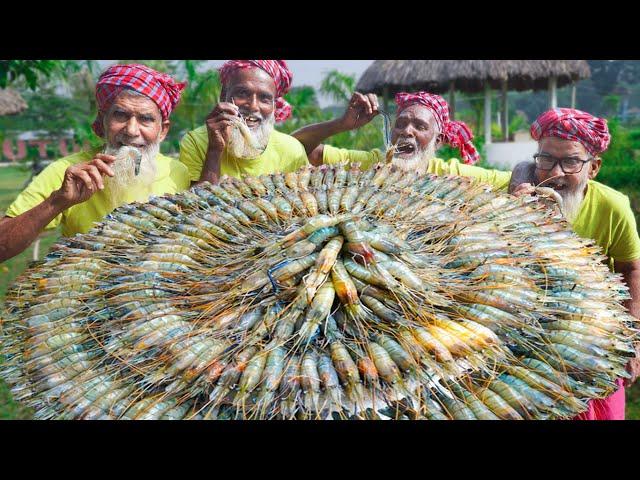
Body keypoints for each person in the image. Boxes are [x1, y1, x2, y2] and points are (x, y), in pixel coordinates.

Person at [509, 108, 640, 419]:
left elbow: (631, 269)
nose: (556, 172)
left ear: (593, 168)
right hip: (531, 345)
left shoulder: (613, 207)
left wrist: (633, 340)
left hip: (594, 342)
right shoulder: (520, 199)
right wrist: (517, 187)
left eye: (570, 162)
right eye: (546, 160)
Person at [0, 63, 190, 263]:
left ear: (163, 131)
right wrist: (58, 201)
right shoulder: (68, 172)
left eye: (146, 119)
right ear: (102, 122)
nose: (132, 130)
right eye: (121, 115)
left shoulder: (178, 172)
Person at [292, 91, 511, 189]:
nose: (406, 131)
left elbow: (512, 177)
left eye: (420, 126)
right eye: (400, 123)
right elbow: (296, 148)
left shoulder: (448, 174)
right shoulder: (372, 163)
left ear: (438, 140)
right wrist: (342, 124)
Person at [179, 60, 309, 185]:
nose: (253, 106)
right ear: (224, 95)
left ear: (274, 105)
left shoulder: (292, 151)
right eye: (242, 93)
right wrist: (214, 150)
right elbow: (195, 205)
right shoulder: (196, 142)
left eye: (264, 98)